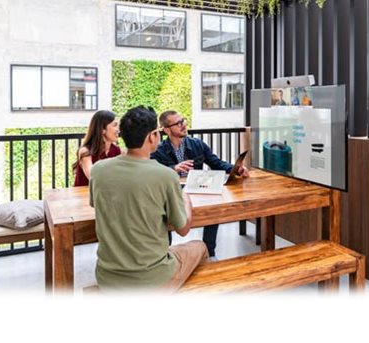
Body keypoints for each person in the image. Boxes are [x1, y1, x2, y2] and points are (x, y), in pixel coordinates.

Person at [89, 105, 208, 291]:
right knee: (200, 246)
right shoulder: (166, 176)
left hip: (107, 277)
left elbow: (96, 205)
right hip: (153, 278)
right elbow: (183, 229)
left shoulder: (98, 170)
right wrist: (186, 200)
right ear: (152, 136)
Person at [152, 110, 249, 259]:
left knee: (214, 207)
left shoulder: (197, 144)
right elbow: (152, 173)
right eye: (178, 123)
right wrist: (173, 168)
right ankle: (166, 255)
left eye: (183, 120)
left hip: (195, 190)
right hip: (171, 192)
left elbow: (216, 163)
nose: (183, 125)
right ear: (166, 130)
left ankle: (210, 254)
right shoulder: (158, 151)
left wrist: (236, 169)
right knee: (164, 214)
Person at [73, 110, 122, 187]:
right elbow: (93, 178)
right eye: (115, 125)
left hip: (106, 193)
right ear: (102, 129)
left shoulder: (116, 150)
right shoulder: (86, 152)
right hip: (84, 193)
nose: (118, 130)